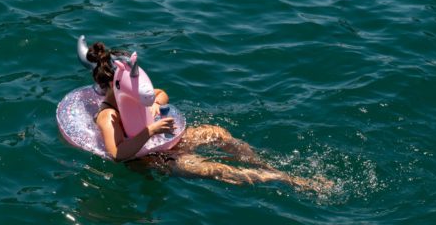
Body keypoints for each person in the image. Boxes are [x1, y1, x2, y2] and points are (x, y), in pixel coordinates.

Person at [86, 42, 332, 192]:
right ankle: (289, 179)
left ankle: (262, 163)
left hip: (169, 140)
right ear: (114, 85)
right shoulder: (108, 116)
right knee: (217, 169)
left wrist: (155, 105)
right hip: (157, 158)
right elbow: (117, 154)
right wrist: (150, 131)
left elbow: (162, 93)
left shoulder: (133, 95)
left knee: (217, 132)